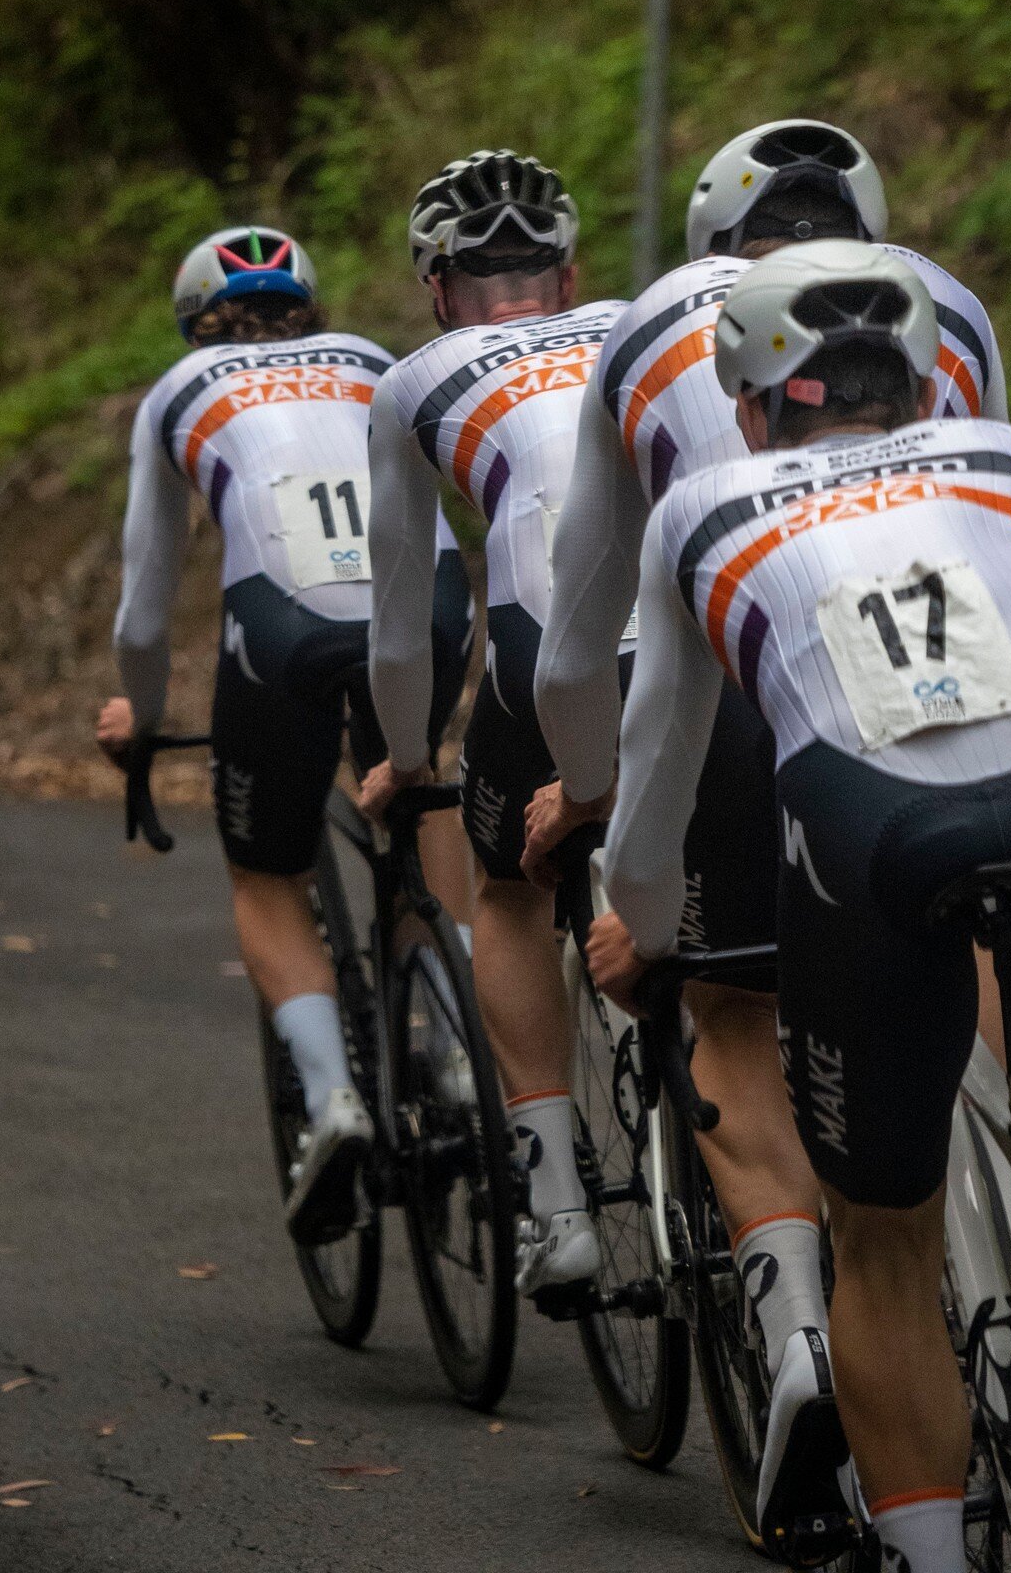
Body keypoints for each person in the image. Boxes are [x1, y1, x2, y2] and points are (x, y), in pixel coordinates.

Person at [590, 241, 1011, 1568]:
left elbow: (659, 783)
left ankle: (931, 1553)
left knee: (883, 1241)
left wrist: (648, 931)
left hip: (873, 833)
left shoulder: (704, 512)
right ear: (918, 376)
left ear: (750, 398)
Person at [524, 119, 1005, 1558]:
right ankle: (1000, 1249)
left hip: (746, 673)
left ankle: (799, 1341)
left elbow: (579, 622)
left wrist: (591, 792)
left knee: (728, 1004)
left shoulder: (649, 330)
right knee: (950, 929)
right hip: (961, 665)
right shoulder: (950, 297)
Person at [95, 225, 474, 1246]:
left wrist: (142, 715)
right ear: (308, 306)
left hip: (283, 626)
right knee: (414, 775)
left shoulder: (182, 390)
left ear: (196, 323)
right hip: (429, 606)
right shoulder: (373, 359)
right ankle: (459, 1037)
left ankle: (333, 1100)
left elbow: (143, 610)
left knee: (267, 878)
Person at [359, 150, 629, 1299]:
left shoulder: (417, 378)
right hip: (701, 633)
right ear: (568, 278)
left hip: (544, 644)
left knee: (506, 887)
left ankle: (557, 1200)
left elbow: (402, 626)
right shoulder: (644, 322)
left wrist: (409, 758)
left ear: (438, 286)